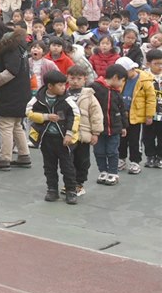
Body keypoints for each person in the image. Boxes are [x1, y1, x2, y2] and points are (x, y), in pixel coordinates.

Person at [0, 18, 33, 171]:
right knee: (16, 124)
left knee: (5, 124)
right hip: (22, 89)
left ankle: (5, 159)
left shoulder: (8, 46)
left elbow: (11, 71)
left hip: (11, 92)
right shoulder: (17, 42)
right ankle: (24, 156)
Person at [26, 69, 80, 204]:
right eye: (60, 85)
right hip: (46, 139)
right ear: (50, 86)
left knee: (67, 167)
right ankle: (52, 190)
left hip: (63, 140)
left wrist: (69, 133)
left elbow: (75, 115)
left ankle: (71, 191)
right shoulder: (38, 99)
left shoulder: (67, 100)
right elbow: (29, 112)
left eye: (64, 85)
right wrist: (45, 117)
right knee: (49, 166)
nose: (63, 88)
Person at [64, 63, 103, 196]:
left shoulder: (89, 96)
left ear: (85, 79)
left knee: (82, 161)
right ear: (67, 78)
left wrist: (95, 133)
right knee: (67, 160)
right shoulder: (63, 94)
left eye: (79, 79)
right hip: (68, 135)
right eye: (72, 78)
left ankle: (79, 184)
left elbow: (96, 115)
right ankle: (69, 183)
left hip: (83, 135)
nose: (75, 81)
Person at [91, 64, 128, 186]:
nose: (122, 84)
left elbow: (122, 109)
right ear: (115, 77)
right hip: (98, 128)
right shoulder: (94, 87)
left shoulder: (116, 92)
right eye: (122, 80)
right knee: (99, 151)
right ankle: (103, 171)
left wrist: (124, 126)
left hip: (114, 128)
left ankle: (113, 173)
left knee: (112, 151)